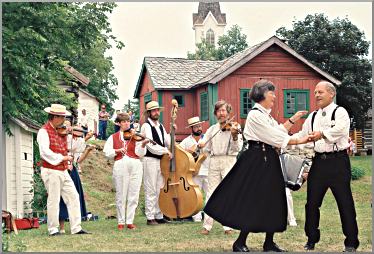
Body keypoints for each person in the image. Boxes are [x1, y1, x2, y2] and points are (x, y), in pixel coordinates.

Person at [203, 80, 310, 252]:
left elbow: (279, 131)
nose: (274, 96)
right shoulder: (255, 115)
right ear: (261, 94)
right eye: (271, 92)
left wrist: (293, 119)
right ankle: (240, 242)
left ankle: (269, 242)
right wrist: (300, 140)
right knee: (252, 199)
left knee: (273, 199)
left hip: (268, 158)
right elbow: (274, 137)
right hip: (257, 159)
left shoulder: (265, 115)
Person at [292, 81, 359, 252]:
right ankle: (311, 239)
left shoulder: (340, 112)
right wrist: (287, 141)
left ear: (331, 94)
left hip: (338, 162)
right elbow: (303, 135)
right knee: (312, 204)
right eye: (315, 92)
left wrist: (321, 134)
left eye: (320, 92)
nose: (316, 95)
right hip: (318, 163)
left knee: (345, 203)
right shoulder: (313, 116)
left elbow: (341, 130)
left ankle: (351, 242)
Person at [37, 104, 90, 236]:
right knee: (54, 199)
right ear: (54, 117)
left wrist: (76, 136)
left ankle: (76, 228)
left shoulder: (61, 132)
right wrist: (63, 157)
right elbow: (44, 152)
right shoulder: (44, 131)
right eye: (62, 117)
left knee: (73, 196)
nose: (64, 121)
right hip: (51, 170)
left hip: (62, 170)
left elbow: (76, 149)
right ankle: (53, 229)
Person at [198, 100, 243, 235]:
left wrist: (234, 136)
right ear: (215, 114)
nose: (221, 113)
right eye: (218, 111)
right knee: (210, 193)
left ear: (228, 113)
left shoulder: (234, 127)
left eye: (223, 111)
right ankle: (207, 226)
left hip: (229, 160)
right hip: (214, 160)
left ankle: (228, 226)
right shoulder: (212, 129)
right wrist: (201, 145)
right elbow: (206, 148)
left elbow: (238, 148)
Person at [104, 113, 149, 230]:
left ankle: (130, 221)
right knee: (121, 194)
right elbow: (107, 152)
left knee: (134, 194)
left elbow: (140, 154)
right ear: (119, 123)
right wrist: (118, 150)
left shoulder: (135, 136)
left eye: (128, 121)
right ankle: (120, 221)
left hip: (135, 164)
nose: (127, 123)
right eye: (124, 122)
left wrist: (143, 144)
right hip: (120, 164)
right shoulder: (113, 137)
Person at [59, 121, 95, 233]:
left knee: (75, 196)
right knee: (61, 198)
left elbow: (78, 157)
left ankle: (76, 226)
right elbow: (69, 147)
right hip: (61, 168)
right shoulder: (62, 137)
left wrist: (86, 140)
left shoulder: (78, 140)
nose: (68, 127)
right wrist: (85, 139)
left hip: (72, 169)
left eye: (70, 125)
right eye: (66, 125)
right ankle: (61, 227)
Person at [140, 101, 172, 225]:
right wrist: (165, 150)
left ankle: (159, 215)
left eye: (157, 110)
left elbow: (167, 141)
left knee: (160, 188)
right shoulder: (146, 126)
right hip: (150, 160)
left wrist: (172, 132)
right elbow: (150, 145)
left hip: (161, 161)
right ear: (149, 113)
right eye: (153, 111)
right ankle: (150, 216)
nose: (156, 112)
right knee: (151, 188)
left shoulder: (161, 126)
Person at [179, 116, 210, 222]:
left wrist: (204, 146)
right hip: (194, 172)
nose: (199, 128)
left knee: (210, 194)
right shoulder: (186, 141)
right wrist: (188, 151)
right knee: (196, 195)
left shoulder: (207, 138)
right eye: (196, 127)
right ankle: (196, 217)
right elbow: (180, 153)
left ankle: (209, 217)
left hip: (207, 169)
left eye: (199, 126)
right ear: (191, 128)